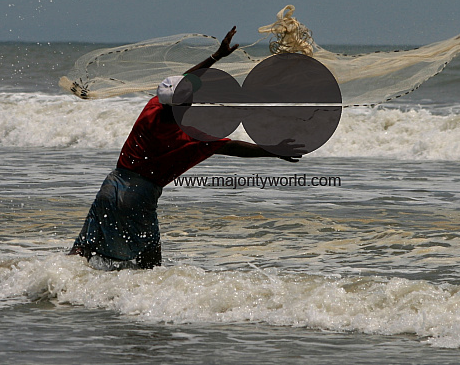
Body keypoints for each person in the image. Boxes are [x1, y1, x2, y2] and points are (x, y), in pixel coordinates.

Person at [69, 26, 301, 270]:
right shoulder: (189, 137)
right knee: (150, 264)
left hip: (111, 184)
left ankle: (56, 283)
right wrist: (273, 150)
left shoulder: (152, 108)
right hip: (139, 196)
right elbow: (232, 146)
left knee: (83, 248)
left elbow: (182, 83)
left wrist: (217, 56)